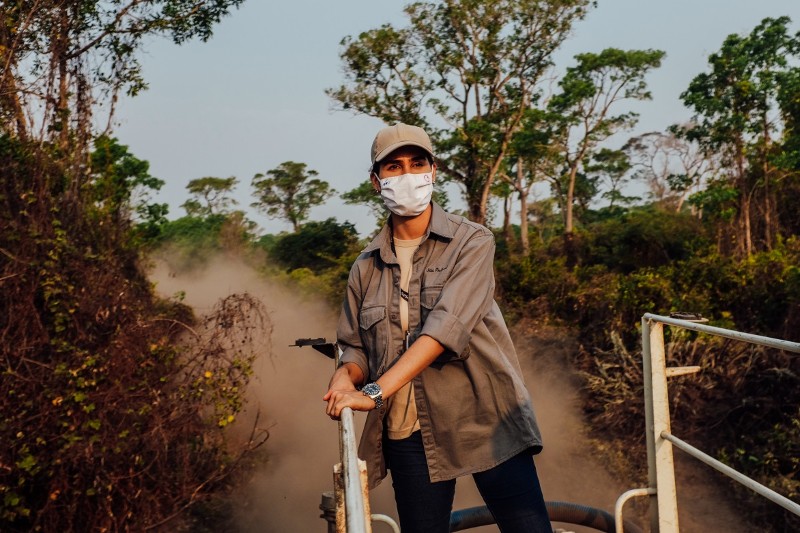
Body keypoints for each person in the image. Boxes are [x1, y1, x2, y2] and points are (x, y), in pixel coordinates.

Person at [323, 123, 550, 533]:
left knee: (528, 528)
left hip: (485, 417)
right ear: (376, 182)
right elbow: (355, 346)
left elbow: (444, 331)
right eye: (393, 167)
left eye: (417, 163)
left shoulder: (472, 242)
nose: (406, 175)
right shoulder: (365, 266)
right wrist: (344, 378)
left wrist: (371, 394)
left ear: (433, 171)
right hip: (407, 430)